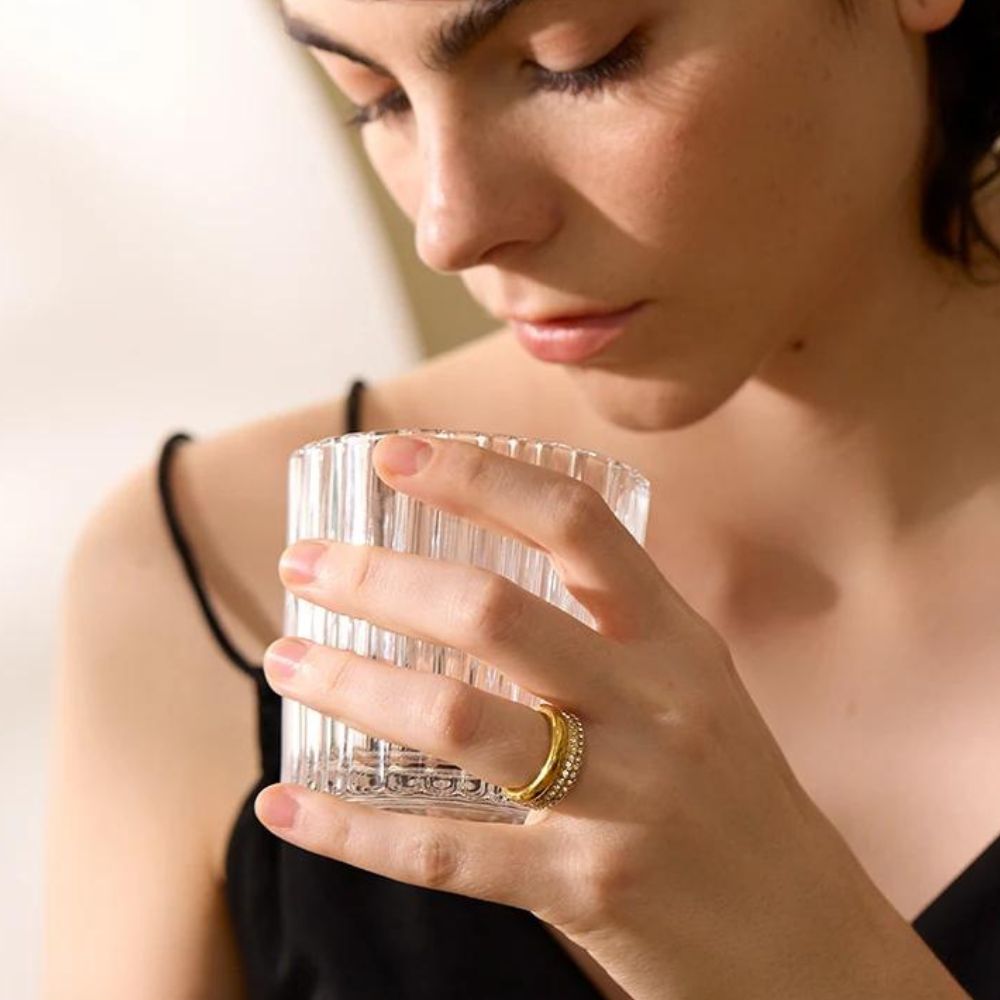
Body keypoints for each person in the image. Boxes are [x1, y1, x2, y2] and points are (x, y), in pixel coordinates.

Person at [42, 0, 1000, 997]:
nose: (448, 228)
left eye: (575, 64)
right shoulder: (219, 571)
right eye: (372, 98)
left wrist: (799, 953)